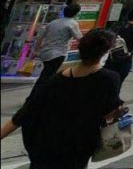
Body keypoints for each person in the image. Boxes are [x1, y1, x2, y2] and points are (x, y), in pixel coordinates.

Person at [1, 29, 125, 169]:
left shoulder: (57, 79)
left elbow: (25, 112)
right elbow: (111, 111)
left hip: (44, 145)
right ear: (104, 53)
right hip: (77, 146)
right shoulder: (109, 78)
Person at [30, 3, 82, 84]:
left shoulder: (53, 22)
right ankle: (38, 95)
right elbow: (79, 38)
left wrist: (36, 50)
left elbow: (40, 37)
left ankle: (36, 94)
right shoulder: (72, 23)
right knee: (47, 78)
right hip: (58, 53)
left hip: (45, 52)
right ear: (76, 13)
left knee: (45, 76)